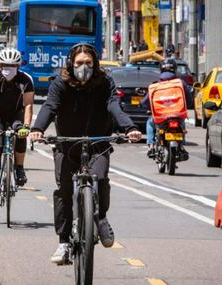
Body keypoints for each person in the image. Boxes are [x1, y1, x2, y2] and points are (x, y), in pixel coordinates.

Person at [29, 43, 142, 264]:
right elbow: (50, 106)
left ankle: (100, 218)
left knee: (100, 179)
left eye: (88, 63)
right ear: (71, 63)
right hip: (66, 144)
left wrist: (129, 128)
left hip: (98, 143)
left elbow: (113, 105)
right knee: (63, 190)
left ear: (95, 63)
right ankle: (63, 242)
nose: (84, 67)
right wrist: (37, 129)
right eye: (79, 63)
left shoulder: (105, 82)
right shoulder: (60, 83)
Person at [0, 48, 34, 207]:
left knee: (21, 133)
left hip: (16, 114)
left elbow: (29, 104)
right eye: (5, 65)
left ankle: (19, 167)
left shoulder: (26, 80)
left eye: (12, 66)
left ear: (18, 66)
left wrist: (26, 126)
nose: (8, 69)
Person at [141, 58, 189, 158]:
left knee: (150, 123)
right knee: (182, 122)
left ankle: (151, 146)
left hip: (160, 118)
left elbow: (145, 102)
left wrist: (144, 105)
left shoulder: (155, 85)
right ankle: (182, 145)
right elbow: (189, 99)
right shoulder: (181, 83)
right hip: (178, 116)